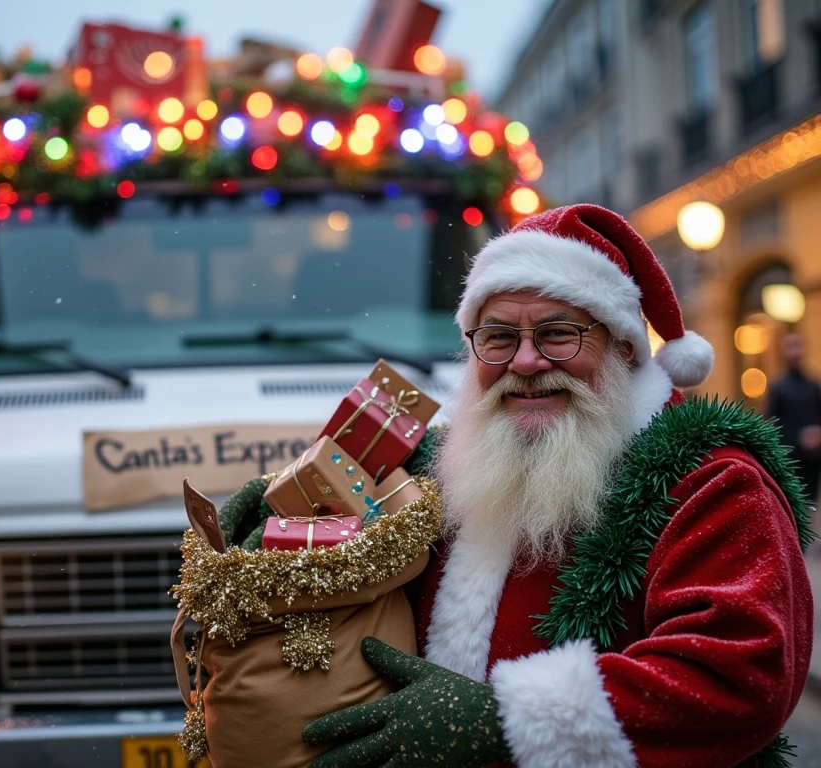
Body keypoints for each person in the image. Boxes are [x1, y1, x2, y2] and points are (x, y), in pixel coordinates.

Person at [301, 204, 814, 767]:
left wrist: (505, 719)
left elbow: (740, 674)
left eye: (558, 334)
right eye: (496, 337)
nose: (524, 361)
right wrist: (289, 511)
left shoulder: (712, 482)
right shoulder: (444, 468)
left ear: (622, 348)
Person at [767, 333, 821, 502]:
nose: (795, 353)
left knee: (811, 500)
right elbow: (773, 423)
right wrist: (798, 437)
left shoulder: (813, 385)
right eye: (791, 348)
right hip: (791, 456)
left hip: (813, 456)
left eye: (798, 347)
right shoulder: (778, 387)